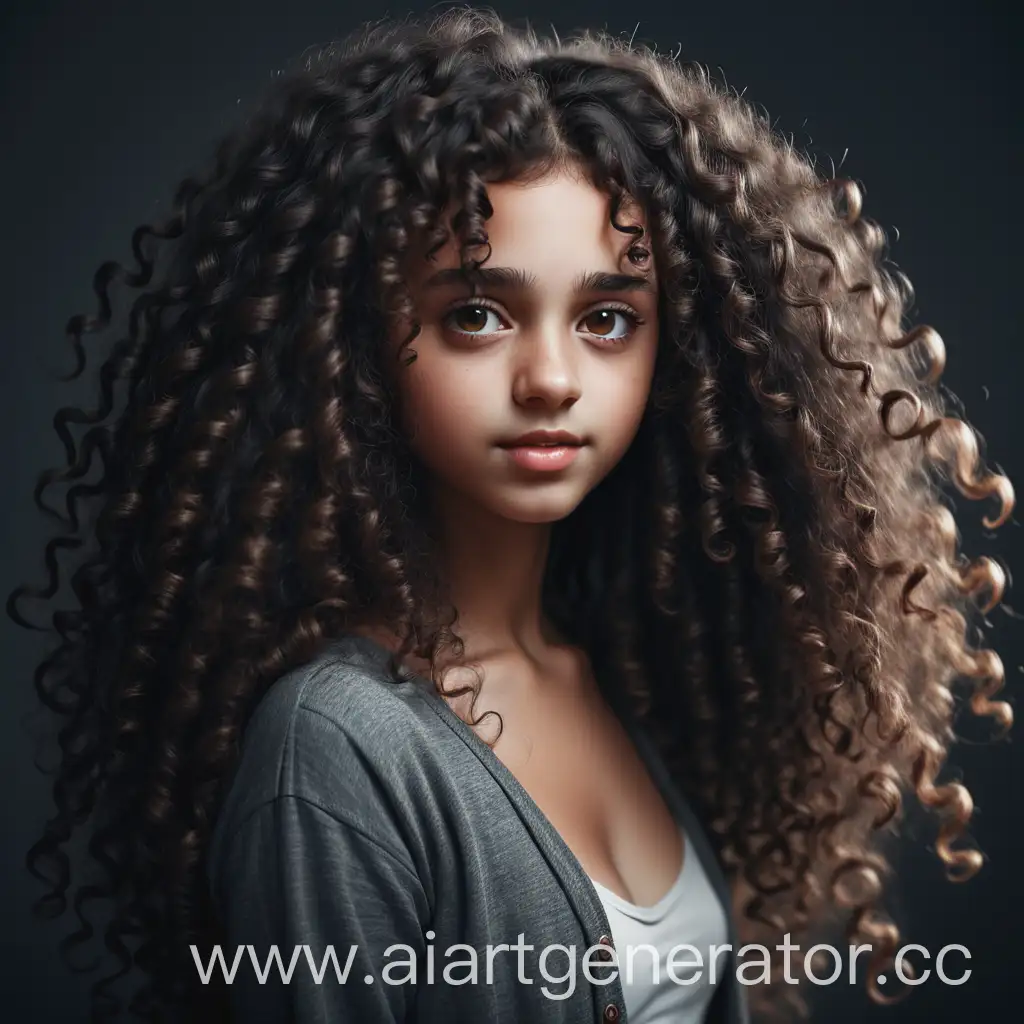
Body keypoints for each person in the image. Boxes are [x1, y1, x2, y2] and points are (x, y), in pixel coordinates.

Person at [10, 7, 1014, 1024]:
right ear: (354, 342)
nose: (550, 379)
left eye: (606, 318)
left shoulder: (617, 671)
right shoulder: (334, 747)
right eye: (477, 313)